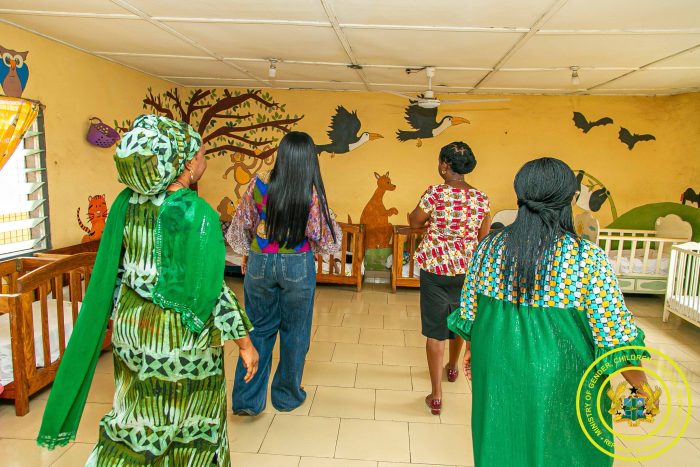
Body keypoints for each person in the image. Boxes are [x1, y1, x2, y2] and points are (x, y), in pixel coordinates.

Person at [37, 115, 259, 466]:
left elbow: (115, 272)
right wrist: (244, 342)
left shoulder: (125, 204)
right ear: (187, 163)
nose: (203, 159)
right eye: (202, 153)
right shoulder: (193, 212)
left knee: (134, 416)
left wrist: (117, 317)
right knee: (188, 420)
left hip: (131, 329)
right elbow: (208, 289)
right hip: (178, 337)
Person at [447, 157, 651, 466]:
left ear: (520, 195)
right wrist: (641, 386)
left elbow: (471, 313)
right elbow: (614, 336)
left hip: (497, 364)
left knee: (501, 439)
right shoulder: (586, 257)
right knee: (564, 447)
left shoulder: (488, 247)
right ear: (570, 199)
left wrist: (472, 351)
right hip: (563, 375)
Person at [227, 131, 341, 415]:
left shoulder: (259, 184)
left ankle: (248, 401)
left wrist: (249, 253)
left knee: (258, 328)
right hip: (297, 264)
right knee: (295, 332)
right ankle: (287, 397)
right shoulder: (310, 192)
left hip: (260, 262)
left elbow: (243, 224)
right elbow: (323, 236)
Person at [408, 141, 491, 415]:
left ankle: (436, 395)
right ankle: (453, 368)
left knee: (435, 331)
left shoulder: (435, 193)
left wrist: (425, 221)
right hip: (465, 271)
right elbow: (483, 238)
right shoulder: (481, 198)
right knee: (459, 320)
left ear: (445, 165)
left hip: (435, 269)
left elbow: (415, 221)